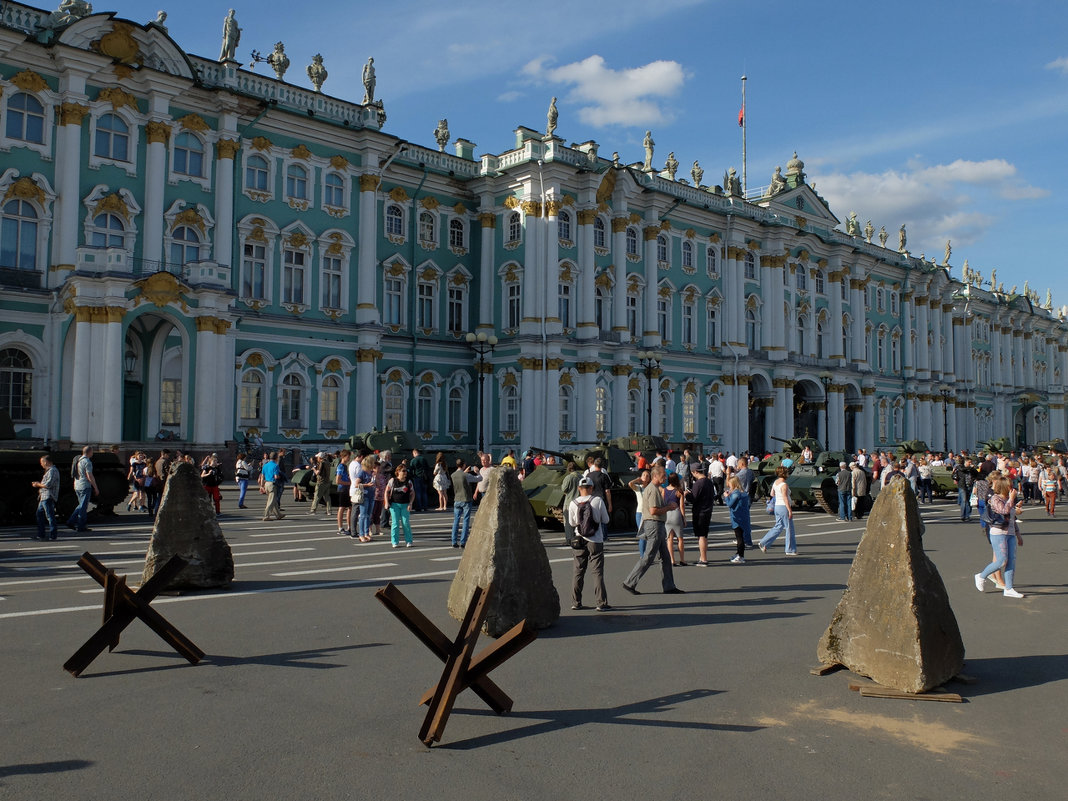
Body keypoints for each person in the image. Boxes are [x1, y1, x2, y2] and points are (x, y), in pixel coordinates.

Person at [621, 465, 684, 595]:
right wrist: (669, 508)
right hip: (654, 524)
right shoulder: (653, 490)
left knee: (665, 557)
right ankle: (629, 582)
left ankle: (669, 586)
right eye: (663, 475)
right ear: (655, 476)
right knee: (649, 556)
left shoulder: (653, 488)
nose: (665, 477)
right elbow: (653, 511)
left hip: (657, 524)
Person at [975, 476, 1025, 598]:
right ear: (1003, 487)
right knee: (1002, 560)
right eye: (1010, 485)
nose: (1012, 487)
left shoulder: (1009, 499)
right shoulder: (995, 498)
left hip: (1011, 533)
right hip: (998, 533)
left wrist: (1018, 535)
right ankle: (981, 576)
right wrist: (1011, 500)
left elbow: (1012, 518)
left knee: (1011, 561)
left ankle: (1009, 588)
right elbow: (1003, 511)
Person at [568, 476, 610, 611]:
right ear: (591, 488)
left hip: (579, 539)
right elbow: (606, 520)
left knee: (578, 571)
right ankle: (601, 603)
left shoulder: (573, 503)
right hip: (595, 540)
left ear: (579, 489)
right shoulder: (597, 500)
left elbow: (572, 523)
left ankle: (576, 602)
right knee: (597, 572)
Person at [758, 467, 797, 555]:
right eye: (787, 473)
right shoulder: (784, 485)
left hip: (777, 506)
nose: (788, 474)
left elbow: (772, 494)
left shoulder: (775, 482)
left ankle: (764, 542)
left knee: (778, 526)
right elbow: (785, 497)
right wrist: (790, 510)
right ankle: (790, 549)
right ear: (784, 474)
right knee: (789, 528)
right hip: (784, 506)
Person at [66, 445, 98, 533]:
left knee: (81, 505)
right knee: (83, 507)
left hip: (77, 485)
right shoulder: (87, 461)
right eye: (92, 452)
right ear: (90, 452)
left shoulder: (77, 460)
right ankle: (80, 526)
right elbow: (89, 475)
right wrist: (95, 487)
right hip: (85, 485)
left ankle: (71, 521)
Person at [688, 463, 715, 565]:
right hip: (708, 510)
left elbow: (693, 498)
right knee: (704, 535)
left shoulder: (698, 483)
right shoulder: (709, 482)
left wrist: (687, 495)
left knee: (701, 536)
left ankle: (703, 559)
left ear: (695, 472)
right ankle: (702, 556)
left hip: (700, 511)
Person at [384, 464, 415, 548]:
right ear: (398, 472)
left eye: (406, 471)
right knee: (395, 523)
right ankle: (394, 541)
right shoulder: (392, 481)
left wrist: (410, 503)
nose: (405, 473)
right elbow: (386, 492)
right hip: (394, 505)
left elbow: (412, 493)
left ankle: (409, 541)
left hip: (405, 505)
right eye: (403, 471)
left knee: (405, 523)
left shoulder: (408, 482)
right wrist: (386, 502)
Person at [450, 458, 479, 547]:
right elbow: (479, 479)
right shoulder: (465, 475)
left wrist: (465, 472)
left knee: (456, 520)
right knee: (466, 520)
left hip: (457, 499)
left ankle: (454, 541)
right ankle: (463, 542)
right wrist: (477, 472)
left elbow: (460, 475)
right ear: (463, 465)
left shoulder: (453, 475)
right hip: (466, 499)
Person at [724, 475, 751, 563]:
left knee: (739, 537)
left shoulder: (736, 493)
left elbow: (729, 504)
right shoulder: (743, 492)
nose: (729, 486)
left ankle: (740, 556)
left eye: (730, 484)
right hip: (743, 516)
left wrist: (726, 496)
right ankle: (738, 553)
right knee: (740, 536)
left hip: (737, 517)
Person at [32, 454, 60, 540]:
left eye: (42, 462)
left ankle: (53, 535)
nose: (41, 464)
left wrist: (37, 484)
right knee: (39, 514)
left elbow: (48, 484)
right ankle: (41, 534)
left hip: (48, 495)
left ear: (46, 462)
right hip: (43, 496)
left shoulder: (53, 471)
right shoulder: (49, 471)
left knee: (50, 516)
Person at [352, 454, 377, 542]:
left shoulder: (371, 472)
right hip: (364, 496)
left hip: (371, 495)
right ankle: (361, 534)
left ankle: (366, 533)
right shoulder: (362, 472)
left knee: (368, 515)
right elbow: (356, 484)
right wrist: (367, 485)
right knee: (363, 515)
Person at [664, 473, 687, 566]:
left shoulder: (664, 490)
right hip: (676, 514)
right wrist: (684, 518)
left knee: (669, 539)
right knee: (680, 539)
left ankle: (672, 560)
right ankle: (682, 559)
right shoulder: (679, 491)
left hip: (667, 515)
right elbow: (682, 506)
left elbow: (663, 503)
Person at [627, 469, 650, 557]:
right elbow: (630, 484)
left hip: (649, 513)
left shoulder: (650, 487)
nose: (645, 477)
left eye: (647, 476)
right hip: (640, 513)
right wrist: (637, 479)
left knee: (649, 535)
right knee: (642, 535)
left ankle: (647, 554)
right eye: (644, 475)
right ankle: (642, 556)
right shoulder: (638, 487)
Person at [560, 461, 581, 548]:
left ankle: (569, 539)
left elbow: (564, 489)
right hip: (579, 502)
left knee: (568, 522)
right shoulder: (581, 476)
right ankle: (579, 538)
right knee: (578, 521)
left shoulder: (569, 477)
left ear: (569, 469)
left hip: (569, 502)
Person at [260, 453, 284, 521]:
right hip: (272, 484)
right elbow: (276, 477)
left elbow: (262, 476)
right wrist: (280, 476)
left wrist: (261, 486)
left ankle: (278, 515)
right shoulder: (275, 465)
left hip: (266, 484)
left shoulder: (265, 465)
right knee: (271, 501)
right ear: (276, 458)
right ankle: (266, 516)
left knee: (274, 501)